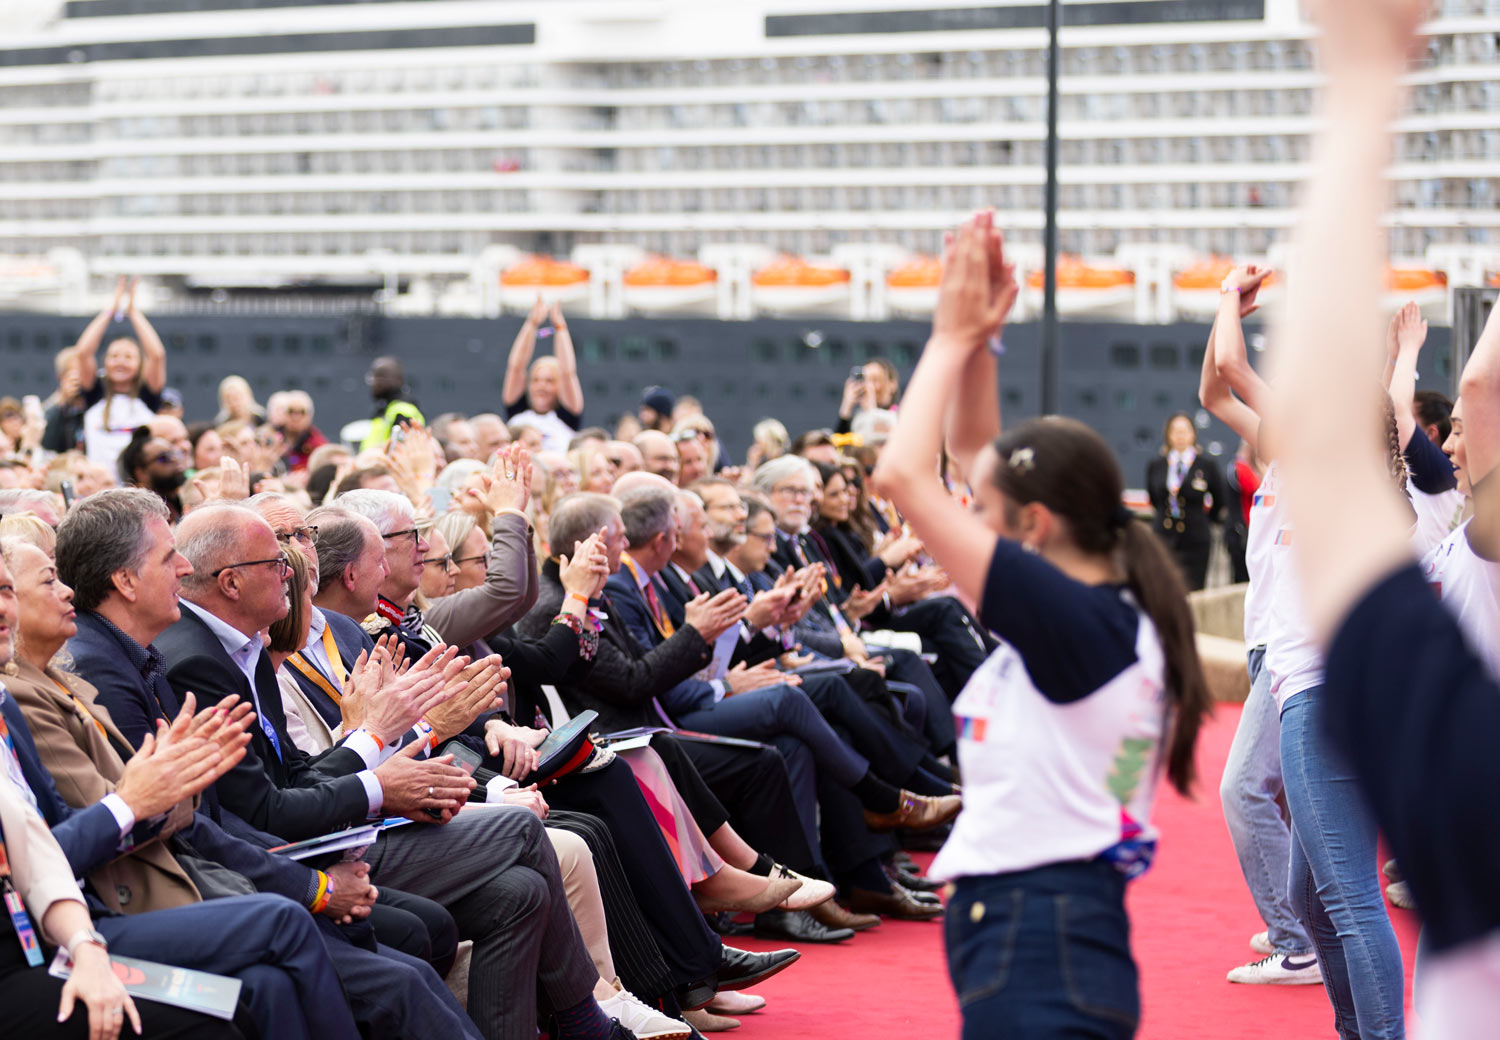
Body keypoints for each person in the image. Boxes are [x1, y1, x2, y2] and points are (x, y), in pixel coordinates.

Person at [873, 213, 1210, 1040]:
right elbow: (975, 447)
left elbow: (904, 474)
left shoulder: (1076, 623)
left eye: (984, 517)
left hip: (1037, 933)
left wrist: (948, 337)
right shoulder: (1096, 614)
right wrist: (983, 344)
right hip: (1049, 929)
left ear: (1036, 525)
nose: (968, 526)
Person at [1197, 265, 1323, 987]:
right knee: (1280, 794)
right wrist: (1232, 310)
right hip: (1264, 642)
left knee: (1243, 789)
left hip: (1291, 648)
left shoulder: (1310, 449)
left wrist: (1226, 300)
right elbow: (1216, 389)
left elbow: (1234, 367)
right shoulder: (1281, 458)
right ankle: (1302, 919)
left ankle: (1296, 939)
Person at [58, 278, 168, 471]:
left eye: (128, 357)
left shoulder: (147, 393)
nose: (120, 361)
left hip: (138, 485)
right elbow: (83, 352)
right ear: (105, 362)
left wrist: (134, 314)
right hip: (100, 482)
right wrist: (110, 311)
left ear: (140, 364)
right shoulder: (95, 391)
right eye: (114, 356)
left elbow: (157, 355)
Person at [1145, 411, 1225, 591]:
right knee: (1163, 589)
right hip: (1164, 537)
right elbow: (1153, 498)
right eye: (1175, 431)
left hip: (1195, 538)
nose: (1180, 436)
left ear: (1193, 434)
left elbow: (1220, 501)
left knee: (1194, 589)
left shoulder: (1206, 466)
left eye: (1185, 431)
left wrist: (1202, 520)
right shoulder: (1156, 465)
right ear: (1168, 435)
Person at [503, 299, 585, 455]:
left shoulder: (567, 416)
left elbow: (568, 373)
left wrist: (560, 327)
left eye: (550, 381)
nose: (541, 386)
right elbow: (516, 368)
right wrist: (532, 323)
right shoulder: (518, 411)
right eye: (535, 380)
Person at [360, 358, 425, 453]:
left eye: (380, 376)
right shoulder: (385, 409)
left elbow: (400, 450)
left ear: (398, 379)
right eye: (372, 376)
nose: (374, 381)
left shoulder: (403, 410)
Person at [277, 390, 329, 474]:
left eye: (302, 412)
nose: (296, 417)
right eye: (291, 411)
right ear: (283, 414)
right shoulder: (271, 439)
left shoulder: (318, 445)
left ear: (310, 416)